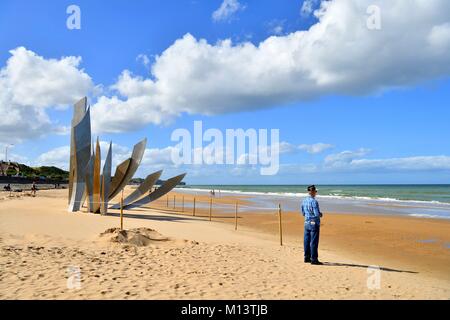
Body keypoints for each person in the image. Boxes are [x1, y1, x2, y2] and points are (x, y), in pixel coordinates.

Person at [301, 185, 323, 265]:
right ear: (312, 192)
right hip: (313, 222)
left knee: (306, 240)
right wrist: (321, 214)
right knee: (314, 241)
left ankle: (306, 257)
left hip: (306, 222)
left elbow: (303, 213)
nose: (316, 193)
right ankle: (314, 259)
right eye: (315, 191)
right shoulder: (314, 201)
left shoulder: (304, 200)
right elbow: (316, 213)